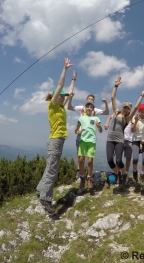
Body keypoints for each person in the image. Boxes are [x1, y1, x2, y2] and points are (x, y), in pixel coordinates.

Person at [36, 57, 73, 214]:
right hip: (55, 141)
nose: (63, 97)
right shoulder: (52, 106)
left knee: (50, 167)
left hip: (57, 141)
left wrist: (74, 80)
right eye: (61, 95)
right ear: (54, 97)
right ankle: (45, 199)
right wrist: (65, 69)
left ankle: (40, 189)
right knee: (52, 170)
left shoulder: (61, 108)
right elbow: (60, 86)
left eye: (64, 96)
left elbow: (69, 92)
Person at [105, 77, 144, 186]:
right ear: (122, 107)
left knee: (119, 161)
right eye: (125, 107)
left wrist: (141, 96)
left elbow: (136, 107)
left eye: (128, 108)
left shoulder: (127, 118)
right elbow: (112, 97)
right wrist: (116, 86)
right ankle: (118, 174)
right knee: (110, 160)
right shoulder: (115, 112)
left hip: (120, 140)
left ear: (129, 110)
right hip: (110, 139)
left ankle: (124, 174)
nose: (126, 109)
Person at [67, 76, 109, 177]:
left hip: (90, 135)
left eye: (92, 100)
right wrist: (70, 98)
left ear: (94, 102)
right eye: (89, 99)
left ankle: (87, 174)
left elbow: (107, 112)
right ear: (86, 100)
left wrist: (106, 104)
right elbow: (69, 107)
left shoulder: (95, 110)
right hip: (81, 133)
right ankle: (79, 171)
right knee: (80, 154)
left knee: (89, 158)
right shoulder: (82, 108)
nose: (90, 101)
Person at [74, 99, 103, 193]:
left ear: (93, 110)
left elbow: (101, 130)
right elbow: (76, 130)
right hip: (82, 141)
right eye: (88, 107)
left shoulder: (96, 118)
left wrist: (99, 126)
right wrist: (77, 132)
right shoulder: (81, 118)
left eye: (91, 107)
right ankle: (82, 179)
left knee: (90, 161)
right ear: (85, 108)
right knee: (81, 160)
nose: (89, 108)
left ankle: (89, 178)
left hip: (92, 142)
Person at [131, 104, 144, 183]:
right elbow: (132, 130)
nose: (143, 114)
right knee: (135, 158)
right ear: (139, 111)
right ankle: (135, 173)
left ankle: (142, 175)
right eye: (142, 112)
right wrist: (136, 121)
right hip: (136, 140)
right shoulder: (135, 118)